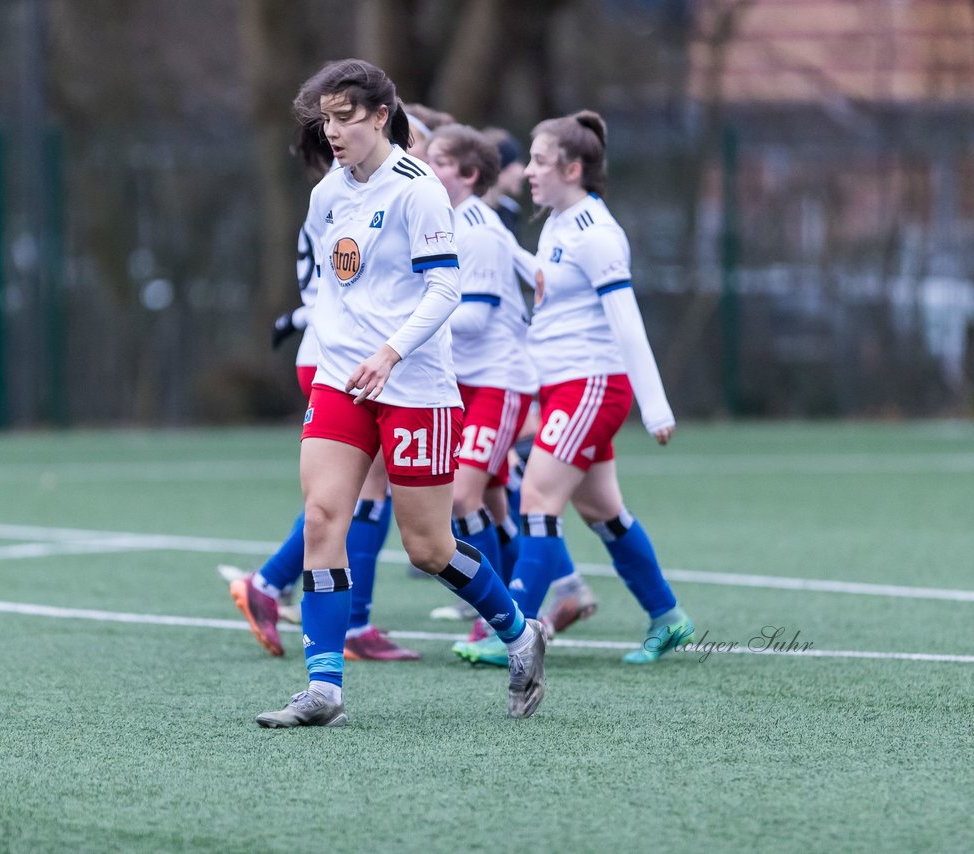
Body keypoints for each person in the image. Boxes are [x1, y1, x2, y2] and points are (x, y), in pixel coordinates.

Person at [255, 58, 547, 728]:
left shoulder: (417, 189)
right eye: (325, 119)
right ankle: (324, 688)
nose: (332, 131)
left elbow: (445, 289)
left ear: (381, 116)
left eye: (344, 117)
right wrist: (331, 345)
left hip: (413, 383)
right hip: (341, 380)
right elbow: (335, 285)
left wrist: (390, 353)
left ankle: (518, 632)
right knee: (325, 517)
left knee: (428, 546)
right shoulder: (328, 193)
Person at [452, 110, 693, 667]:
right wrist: (502, 242)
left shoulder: (598, 235)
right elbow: (542, 275)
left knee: (535, 498)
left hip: (591, 386)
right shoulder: (559, 222)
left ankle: (510, 631)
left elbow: (627, 322)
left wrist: (655, 407)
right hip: (563, 386)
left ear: (573, 167)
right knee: (605, 512)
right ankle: (668, 618)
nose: (528, 171)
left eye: (539, 161)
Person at [227, 123, 419, 662]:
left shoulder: (353, 191)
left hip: (331, 352)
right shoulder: (348, 195)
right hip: (342, 358)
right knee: (361, 496)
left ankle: (285, 591)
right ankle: (335, 616)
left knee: (345, 498)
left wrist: (293, 316)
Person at [423, 124, 537, 641]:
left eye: (441, 161)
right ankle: (535, 594)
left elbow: (477, 317)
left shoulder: (479, 230)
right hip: (462, 381)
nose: (429, 167)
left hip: (498, 381)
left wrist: (410, 325)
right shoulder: (442, 222)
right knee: (491, 502)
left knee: (462, 499)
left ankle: (495, 616)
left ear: (469, 175)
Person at [481, 127, 527, 234]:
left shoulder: (511, 210)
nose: (524, 172)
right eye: (517, 163)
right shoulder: (471, 214)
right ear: (499, 168)